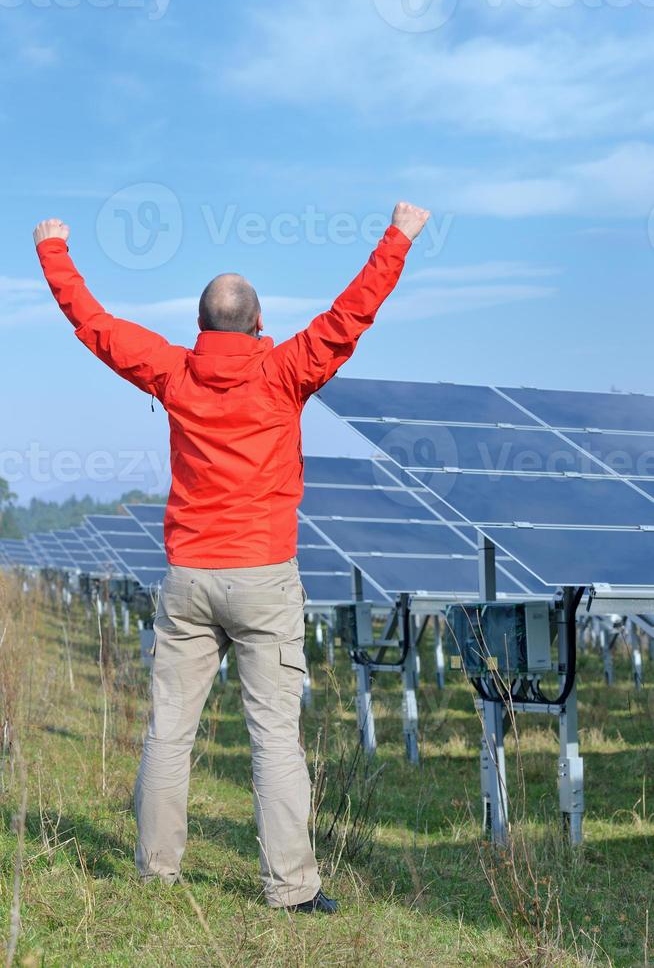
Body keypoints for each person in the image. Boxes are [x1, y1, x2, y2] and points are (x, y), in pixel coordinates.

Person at [33, 201, 430, 913]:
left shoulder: (173, 372)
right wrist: (396, 237)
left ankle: (156, 874)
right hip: (264, 578)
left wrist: (55, 253)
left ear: (200, 324)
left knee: (168, 729)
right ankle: (290, 887)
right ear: (257, 323)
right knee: (273, 737)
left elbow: (96, 328)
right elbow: (350, 316)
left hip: (188, 578)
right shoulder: (285, 371)